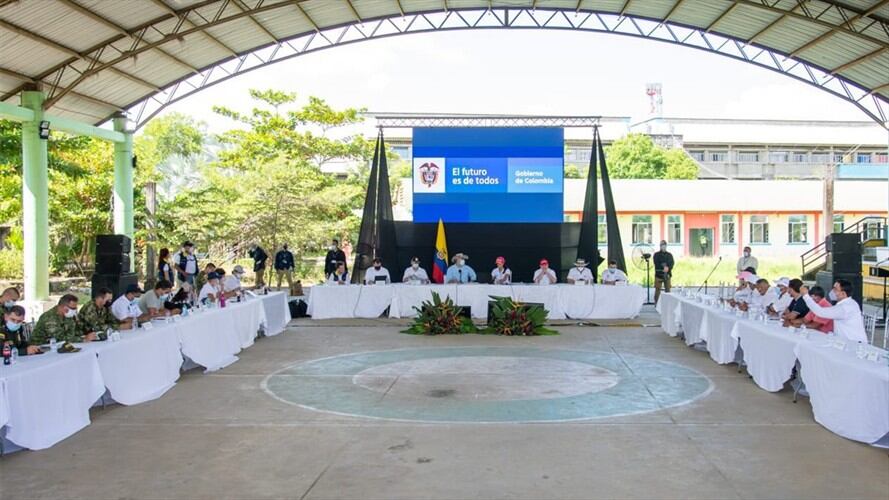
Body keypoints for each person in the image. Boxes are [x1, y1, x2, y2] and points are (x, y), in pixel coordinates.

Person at [801, 279, 867, 343]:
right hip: (846, 342)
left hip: (854, 344)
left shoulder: (845, 308)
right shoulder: (849, 303)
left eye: (835, 289)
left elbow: (821, 312)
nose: (832, 291)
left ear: (843, 293)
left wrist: (806, 296)